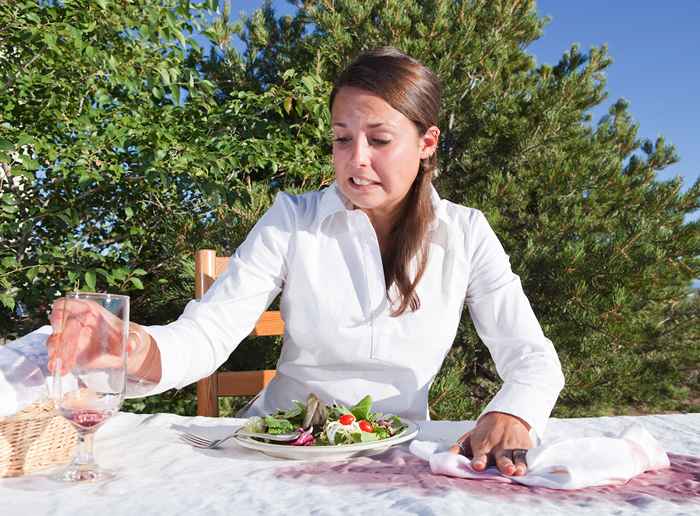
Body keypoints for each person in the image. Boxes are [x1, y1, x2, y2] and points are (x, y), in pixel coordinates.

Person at [47, 47, 565, 477]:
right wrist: (132, 345)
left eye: (380, 140)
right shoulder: (292, 220)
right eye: (342, 139)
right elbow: (207, 334)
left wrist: (512, 411)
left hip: (397, 456)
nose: (356, 159)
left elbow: (532, 359)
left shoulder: (466, 233)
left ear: (427, 143)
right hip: (275, 453)